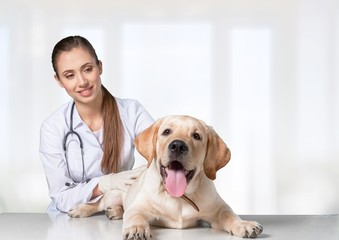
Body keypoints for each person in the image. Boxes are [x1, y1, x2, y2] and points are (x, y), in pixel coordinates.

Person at [40, 35, 154, 213]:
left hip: (119, 213)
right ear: (59, 81)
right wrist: (105, 183)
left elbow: (161, 155)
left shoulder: (132, 112)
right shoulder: (53, 128)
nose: (82, 82)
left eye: (87, 69)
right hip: (68, 221)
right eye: (70, 75)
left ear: (99, 67)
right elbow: (61, 197)